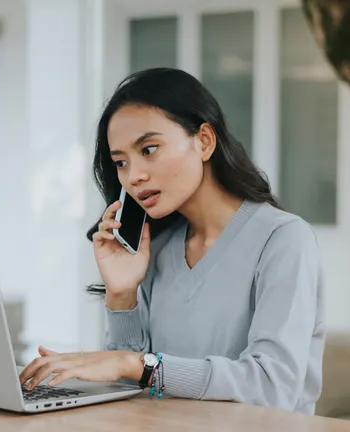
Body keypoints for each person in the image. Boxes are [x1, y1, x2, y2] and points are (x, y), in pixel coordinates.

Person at [18, 67, 325, 414]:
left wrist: (138, 365)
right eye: (121, 162)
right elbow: (128, 385)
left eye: (149, 149)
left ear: (204, 141)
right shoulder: (158, 248)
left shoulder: (283, 239)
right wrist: (121, 294)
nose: (134, 176)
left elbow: (273, 387)